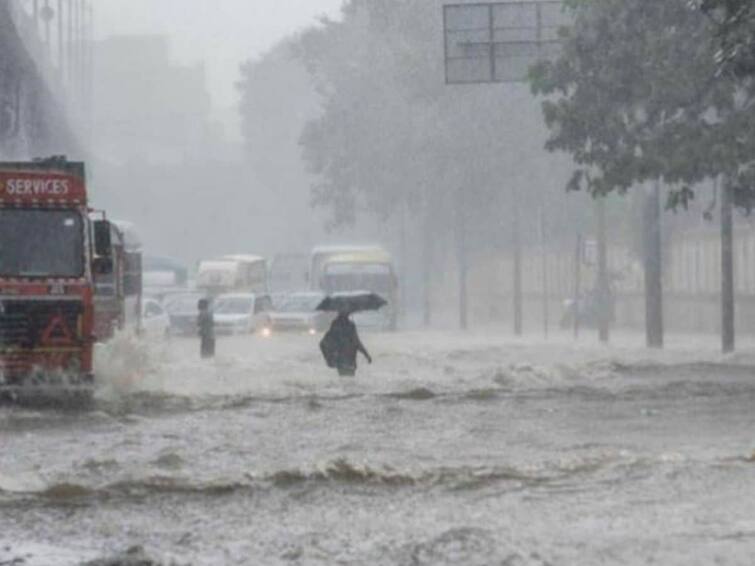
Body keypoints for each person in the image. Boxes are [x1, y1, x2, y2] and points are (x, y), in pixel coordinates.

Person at [320, 311, 372, 376]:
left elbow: (324, 343)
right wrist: (366, 355)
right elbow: (357, 342)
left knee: (343, 379)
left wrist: (329, 358)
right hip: (350, 358)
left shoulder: (335, 324)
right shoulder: (350, 325)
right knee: (349, 381)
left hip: (340, 359)